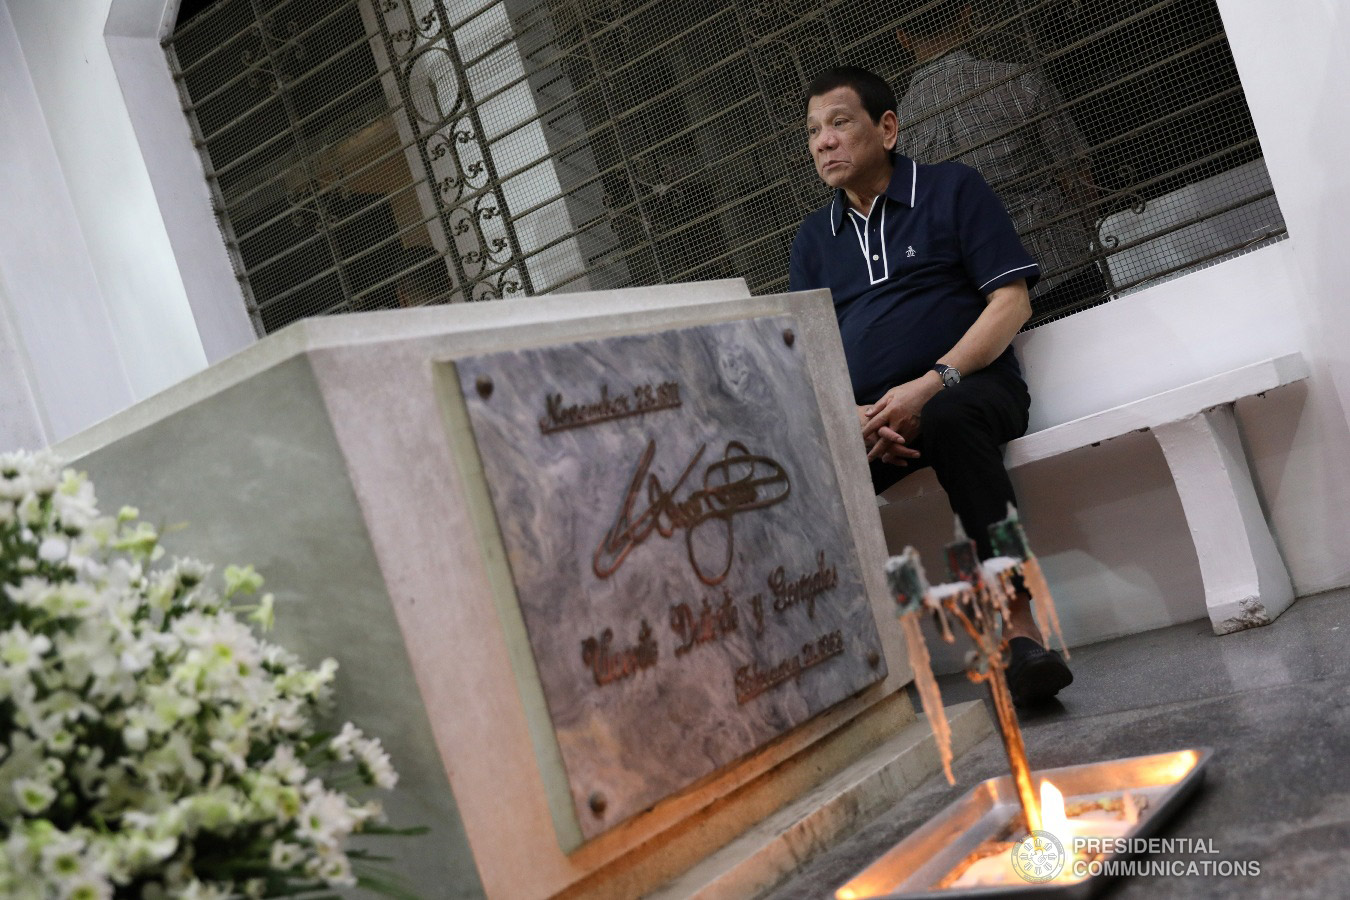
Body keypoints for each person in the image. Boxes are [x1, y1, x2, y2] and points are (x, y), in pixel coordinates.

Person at [789, 65, 1072, 705]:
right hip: (872, 422)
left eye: (838, 123)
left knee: (952, 420)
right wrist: (854, 419)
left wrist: (931, 383)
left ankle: (1019, 629)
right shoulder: (814, 240)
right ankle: (847, 668)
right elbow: (809, 357)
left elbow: (1011, 302)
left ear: (887, 127)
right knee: (797, 478)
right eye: (812, 133)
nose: (823, 143)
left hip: (968, 388)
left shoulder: (951, 191)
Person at [895, 1, 1105, 319]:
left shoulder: (896, 132)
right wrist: (1082, 236)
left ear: (902, 38)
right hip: (1061, 267)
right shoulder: (1018, 82)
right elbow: (1078, 180)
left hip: (984, 302)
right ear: (966, 12)